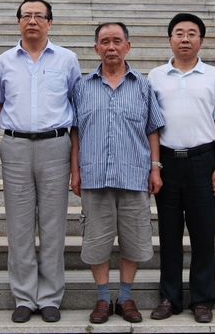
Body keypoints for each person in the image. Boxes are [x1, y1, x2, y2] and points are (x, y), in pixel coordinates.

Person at [0, 0, 81, 323]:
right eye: (26, 15)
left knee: (53, 224)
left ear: (49, 22)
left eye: (39, 16)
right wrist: (19, 123)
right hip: (15, 147)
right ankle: (25, 296)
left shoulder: (67, 59)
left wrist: (75, 161)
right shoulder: (4, 61)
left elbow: (77, 106)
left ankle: (51, 296)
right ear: (18, 21)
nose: (32, 21)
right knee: (19, 225)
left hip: (55, 145)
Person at [70, 22, 165, 324]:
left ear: (127, 46)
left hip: (134, 175)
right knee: (95, 240)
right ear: (96, 48)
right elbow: (75, 131)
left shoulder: (143, 86)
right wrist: (74, 170)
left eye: (116, 41)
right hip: (94, 176)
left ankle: (125, 297)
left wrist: (155, 168)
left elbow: (152, 129)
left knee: (134, 238)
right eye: (104, 42)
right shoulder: (82, 87)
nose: (111, 47)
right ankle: (102, 298)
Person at [147, 13, 215, 323]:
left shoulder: (214, 76)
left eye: (191, 33)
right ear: (170, 38)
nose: (185, 39)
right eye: (179, 33)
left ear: (201, 40)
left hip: (203, 161)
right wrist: (154, 166)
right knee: (169, 234)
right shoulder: (155, 76)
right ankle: (169, 298)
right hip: (168, 162)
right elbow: (151, 126)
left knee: (203, 234)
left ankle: (202, 299)